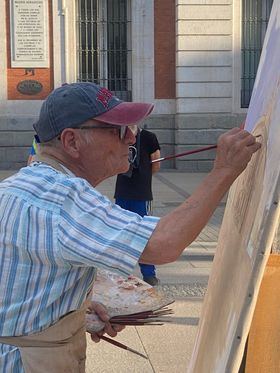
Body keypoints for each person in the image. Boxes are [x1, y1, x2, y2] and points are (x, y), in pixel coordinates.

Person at [0, 82, 261, 372]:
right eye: (119, 130)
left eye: (132, 128)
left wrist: (70, 314)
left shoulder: (18, 186)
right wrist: (224, 170)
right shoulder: (64, 196)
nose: (131, 138)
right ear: (72, 141)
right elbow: (163, 244)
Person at [114, 125, 161, 285]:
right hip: (122, 191)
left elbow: (156, 163)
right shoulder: (119, 135)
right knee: (120, 231)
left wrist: (144, 176)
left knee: (144, 234)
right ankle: (118, 272)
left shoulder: (148, 136)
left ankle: (148, 273)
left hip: (142, 193)